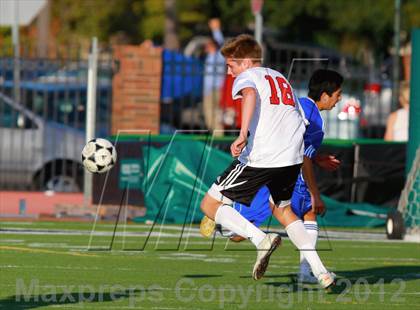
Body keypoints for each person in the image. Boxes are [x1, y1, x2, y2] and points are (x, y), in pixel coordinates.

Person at [200, 35, 334, 287]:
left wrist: (242, 134)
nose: (229, 72)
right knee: (284, 211)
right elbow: (294, 115)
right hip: (292, 156)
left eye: (231, 65)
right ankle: (322, 273)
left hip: (263, 155)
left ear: (247, 62)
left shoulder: (247, 77)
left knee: (209, 205)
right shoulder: (280, 77)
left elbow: (249, 94)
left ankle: (260, 240)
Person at [202, 18, 226, 134]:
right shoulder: (211, 56)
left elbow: (219, 42)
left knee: (213, 117)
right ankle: (217, 137)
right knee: (210, 117)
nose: (205, 46)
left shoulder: (218, 55)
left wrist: (216, 29)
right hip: (209, 91)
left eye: (208, 44)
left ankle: (218, 140)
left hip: (215, 90)